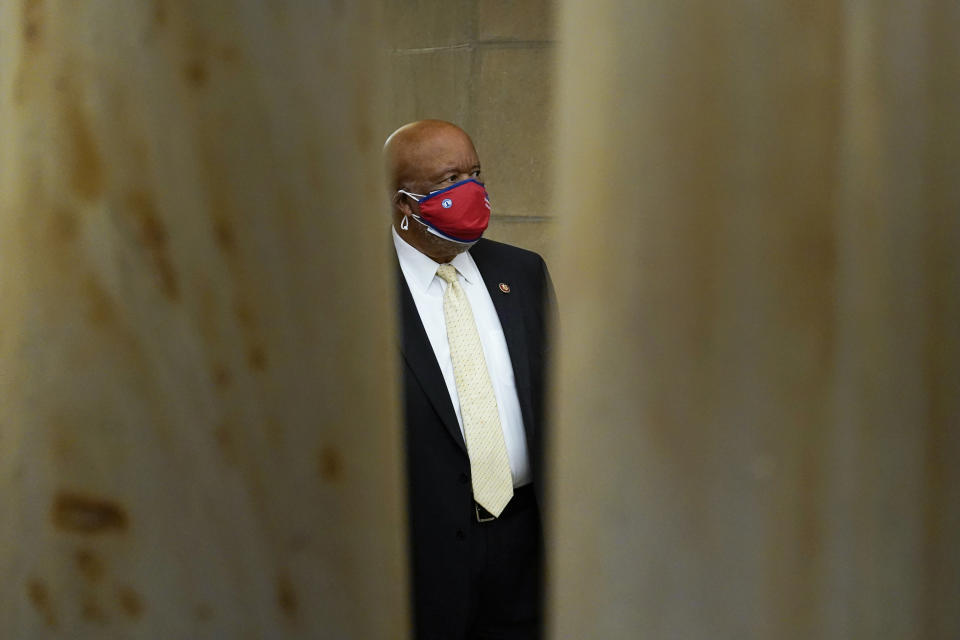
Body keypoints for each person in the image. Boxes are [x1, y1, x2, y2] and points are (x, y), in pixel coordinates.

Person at [385, 120, 554, 640]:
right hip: (420, 556)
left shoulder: (522, 272)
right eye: (450, 178)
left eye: (475, 172)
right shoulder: (355, 290)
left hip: (525, 544)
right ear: (404, 205)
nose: (472, 191)